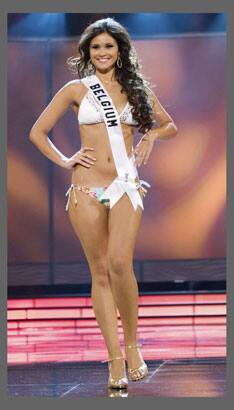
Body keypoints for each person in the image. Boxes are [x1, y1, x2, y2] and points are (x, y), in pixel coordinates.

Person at [29, 17, 177, 390]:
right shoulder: (76, 89)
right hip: (86, 190)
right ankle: (114, 361)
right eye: (96, 47)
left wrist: (151, 137)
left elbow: (169, 125)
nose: (102, 52)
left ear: (120, 50)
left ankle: (132, 346)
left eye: (109, 46)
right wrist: (66, 159)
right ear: (87, 52)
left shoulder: (136, 87)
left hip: (126, 185)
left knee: (118, 263)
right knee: (99, 271)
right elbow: (37, 132)